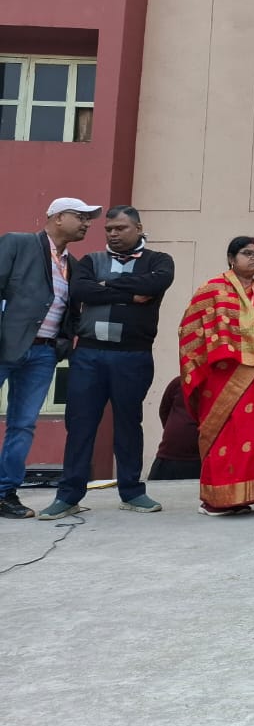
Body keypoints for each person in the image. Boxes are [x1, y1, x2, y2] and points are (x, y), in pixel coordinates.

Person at [39, 206, 174, 519]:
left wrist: (104, 287)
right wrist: (128, 292)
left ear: (138, 228)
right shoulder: (90, 260)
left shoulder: (159, 261)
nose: (113, 234)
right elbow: (80, 289)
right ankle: (68, 496)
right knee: (80, 425)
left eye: (120, 228)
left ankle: (132, 492)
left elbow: (152, 286)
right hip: (88, 354)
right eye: (109, 229)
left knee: (128, 423)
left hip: (133, 355)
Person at [176, 236, 254, 515]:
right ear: (232, 258)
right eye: (247, 253)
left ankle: (244, 495)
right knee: (226, 433)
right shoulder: (212, 290)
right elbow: (190, 330)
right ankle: (216, 499)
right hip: (224, 377)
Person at [0, 197, 98, 520]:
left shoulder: (75, 264)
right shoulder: (18, 244)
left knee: (23, 424)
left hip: (43, 353)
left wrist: (63, 343)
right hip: (6, 345)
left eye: (88, 218)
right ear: (57, 217)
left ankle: (4, 493)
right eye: (80, 216)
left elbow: (72, 310)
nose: (86, 223)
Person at [146, 376, 201, 480]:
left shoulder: (220, 387)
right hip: (168, 455)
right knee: (154, 488)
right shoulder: (179, 382)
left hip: (199, 460)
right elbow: (164, 410)